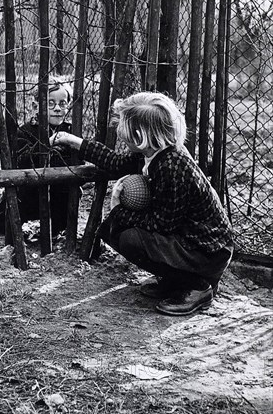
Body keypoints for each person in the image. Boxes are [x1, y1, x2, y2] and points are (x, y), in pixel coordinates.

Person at [51, 91, 234, 316]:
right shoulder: (154, 151)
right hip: (191, 242)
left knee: (130, 239)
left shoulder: (171, 166)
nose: (120, 133)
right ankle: (176, 281)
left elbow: (161, 225)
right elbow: (115, 163)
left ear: (139, 134)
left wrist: (118, 210)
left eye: (124, 128)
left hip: (208, 253)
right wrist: (74, 142)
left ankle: (197, 287)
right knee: (114, 230)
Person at [0, 77, 74, 237]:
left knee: (71, 192)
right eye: (50, 103)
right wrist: (47, 144)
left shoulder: (70, 132)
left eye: (62, 103)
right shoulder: (26, 131)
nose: (57, 108)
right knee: (6, 221)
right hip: (30, 192)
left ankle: (55, 230)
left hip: (58, 192)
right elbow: (22, 161)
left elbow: (79, 164)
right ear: (36, 106)